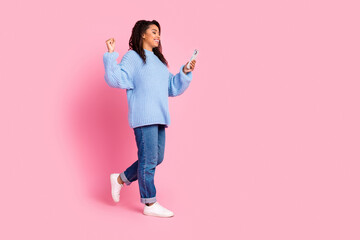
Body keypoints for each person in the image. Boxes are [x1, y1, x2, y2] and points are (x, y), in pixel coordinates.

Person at [103, 20, 196, 217]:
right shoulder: (133, 57)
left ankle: (120, 179)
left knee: (155, 158)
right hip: (143, 117)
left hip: (160, 117)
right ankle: (150, 202)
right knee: (148, 160)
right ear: (142, 34)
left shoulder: (160, 62)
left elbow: (171, 87)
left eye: (159, 33)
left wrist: (185, 72)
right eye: (154, 31)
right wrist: (111, 56)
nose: (157, 36)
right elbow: (115, 78)